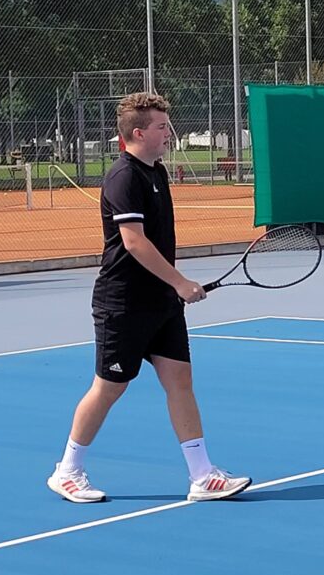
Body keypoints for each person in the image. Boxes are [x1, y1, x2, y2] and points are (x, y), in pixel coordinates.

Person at [47, 92, 251, 502]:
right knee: (110, 387)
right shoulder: (124, 177)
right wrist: (180, 283)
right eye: (161, 127)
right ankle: (67, 471)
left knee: (180, 381)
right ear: (138, 133)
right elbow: (134, 242)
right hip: (123, 304)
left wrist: (171, 290)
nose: (168, 133)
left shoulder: (156, 171)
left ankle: (202, 475)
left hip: (161, 305)